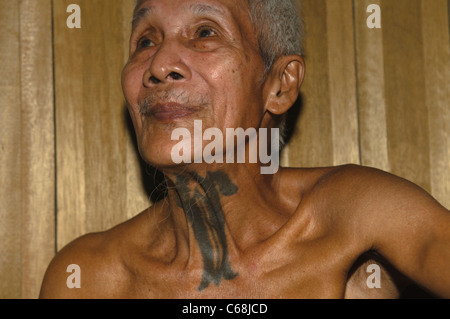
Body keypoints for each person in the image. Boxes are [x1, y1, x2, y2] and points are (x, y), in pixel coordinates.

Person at [39, 0, 450, 299]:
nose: (160, 64)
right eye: (145, 40)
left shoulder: (358, 223)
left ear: (280, 84)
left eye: (204, 32)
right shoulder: (88, 278)